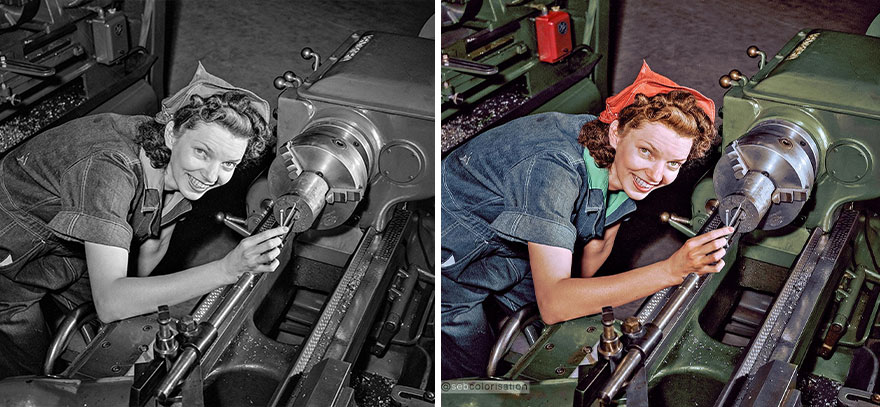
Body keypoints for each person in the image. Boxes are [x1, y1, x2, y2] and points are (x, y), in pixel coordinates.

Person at [440, 61, 736, 379]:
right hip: (454, 241)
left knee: (561, 336)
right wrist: (670, 270)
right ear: (616, 133)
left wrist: (574, 313)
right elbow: (555, 302)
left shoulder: (623, 169)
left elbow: (599, 242)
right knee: (469, 366)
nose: (656, 175)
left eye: (674, 163)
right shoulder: (553, 172)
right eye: (648, 152)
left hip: (510, 244)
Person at [0, 63, 287, 378]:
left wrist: (132, 318)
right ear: (171, 134)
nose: (211, 176)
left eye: (229, 163)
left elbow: (154, 242)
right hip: (9, 245)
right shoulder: (110, 170)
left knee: (112, 339)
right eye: (203, 153)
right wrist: (226, 268)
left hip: (62, 243)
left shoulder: (173, 167)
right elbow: (111, 301)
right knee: (27, 373)